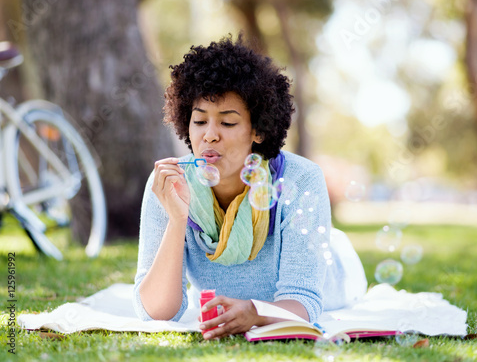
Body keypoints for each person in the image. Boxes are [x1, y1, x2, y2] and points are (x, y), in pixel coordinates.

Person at [133, 35, 367, 340]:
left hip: (336, 271)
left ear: (258, 130)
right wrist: (177, 220)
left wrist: (256, 313)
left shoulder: (300, 178)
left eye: (227, 123)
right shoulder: (168, 183)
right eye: (199, 121)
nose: (210, 136)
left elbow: (305, 300)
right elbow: (156, 313)